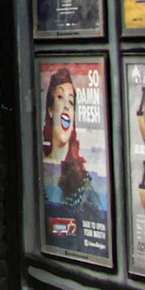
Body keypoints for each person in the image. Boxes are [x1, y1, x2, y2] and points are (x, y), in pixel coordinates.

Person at [40, 68, 97, 208]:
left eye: (71, 103)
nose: (66, 106)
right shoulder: (37, 165)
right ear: (51, 110)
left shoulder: (82, 178)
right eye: (60, 98)